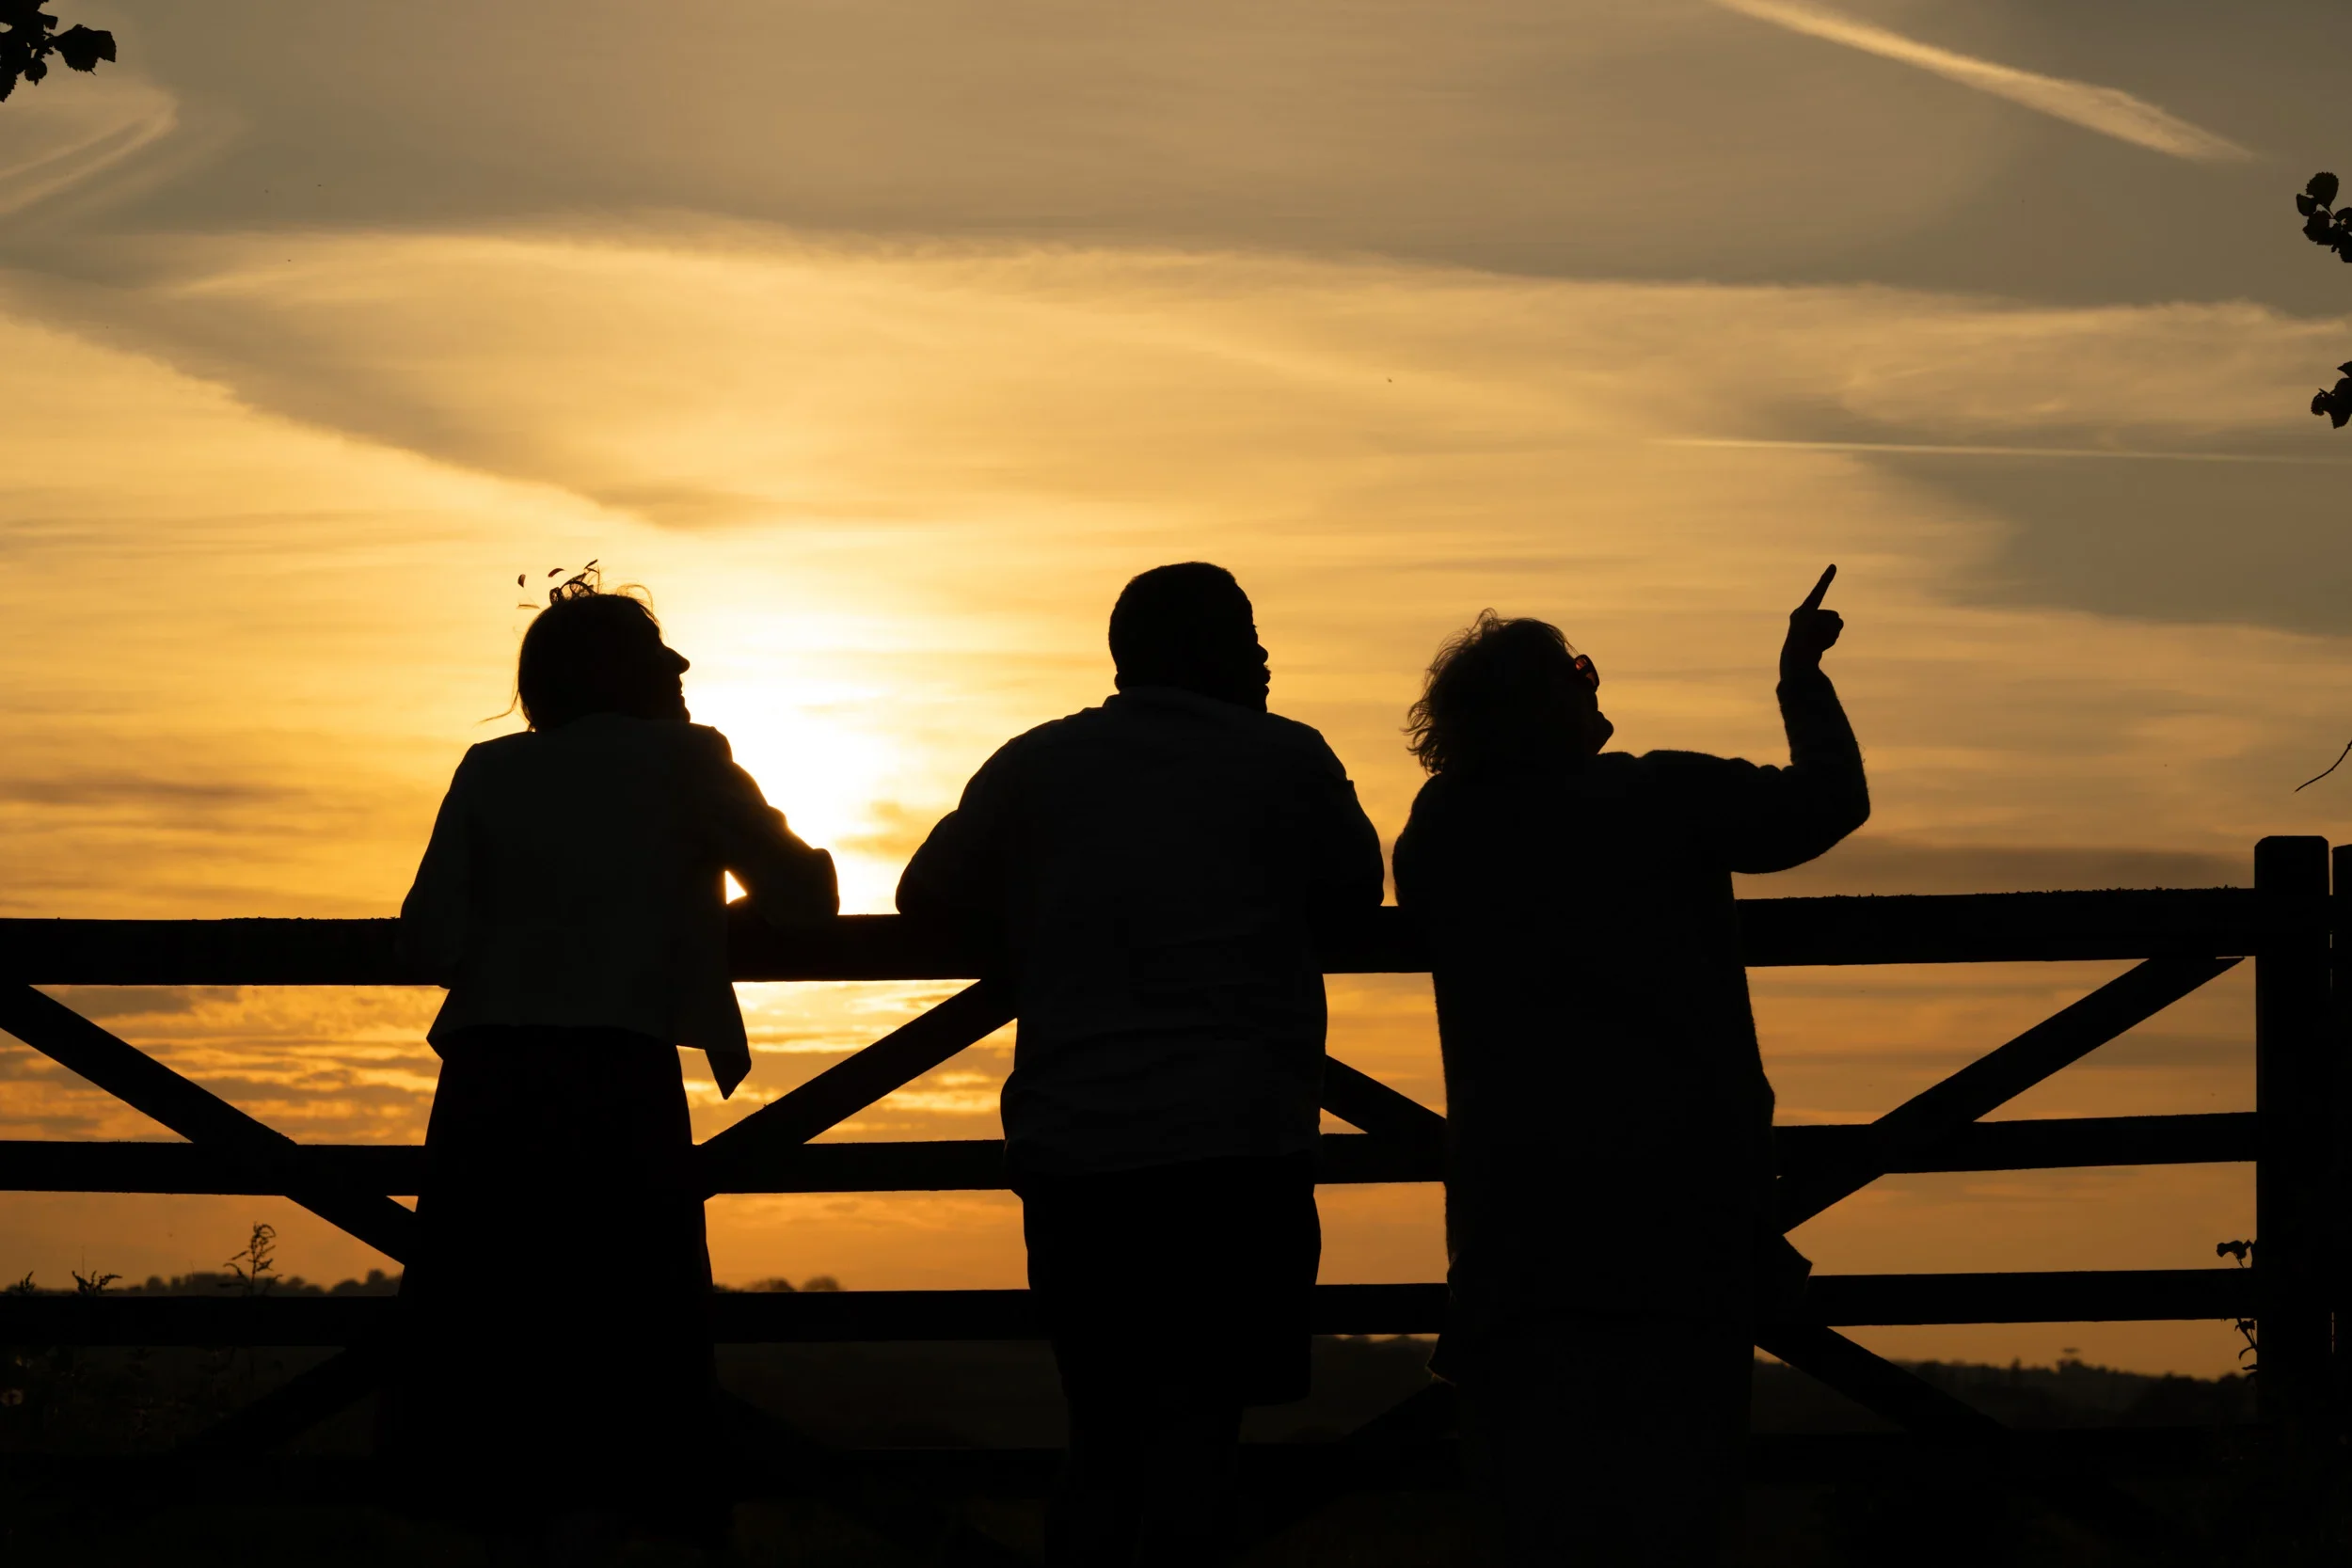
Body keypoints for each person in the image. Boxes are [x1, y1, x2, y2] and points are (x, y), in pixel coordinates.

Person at [898, 562, 1384, 1565]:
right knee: (1203, 1435)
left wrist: (1052, 925)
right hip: (1240, 1143)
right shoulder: (1289, 757)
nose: (1265, 656)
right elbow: (1353, 894)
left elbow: (927, 896)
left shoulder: (1036, 762)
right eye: (1246, 634)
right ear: (1207, 650)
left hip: (1077, 1147)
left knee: (1103, 1431)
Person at [1391, 569, 1867, 1567]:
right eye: (1579, 670)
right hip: (1685, 1210)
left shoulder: (1440, 828)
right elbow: (1829, 802)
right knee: (1682, 1492)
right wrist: (1800, 677)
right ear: (1553, 700)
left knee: (1533, 1501)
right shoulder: (1664, 796)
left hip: (1515, 1221)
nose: (1594, 682)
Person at [388, 576, 838, 1555]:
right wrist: (676, 920)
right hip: (614, 1082)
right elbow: (805, 898)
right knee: (631, 1339)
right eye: (660, 653)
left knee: (493, 1342)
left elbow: (428, 938)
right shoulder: (688, 758)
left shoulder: (490, 768)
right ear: (626, 674)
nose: (682, 666)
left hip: (485, 1086)